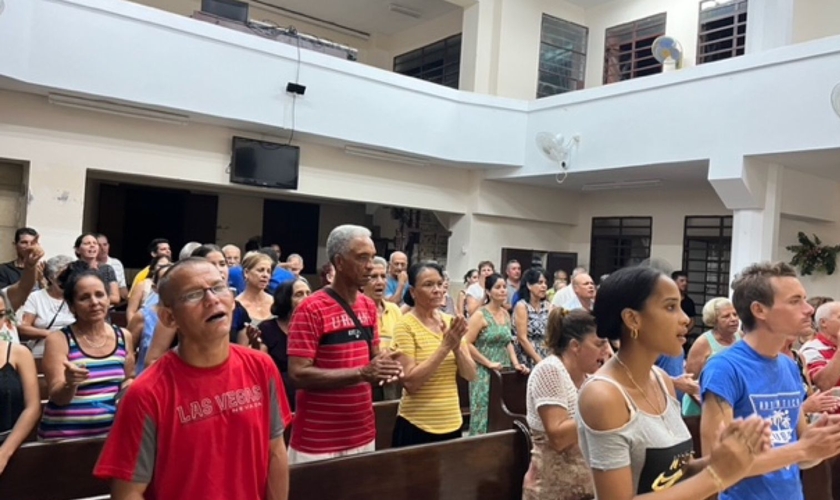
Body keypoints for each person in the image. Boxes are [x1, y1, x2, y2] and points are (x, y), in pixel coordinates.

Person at [93, 258, 292, 500]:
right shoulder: (146, 393)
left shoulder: (261, 367)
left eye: (219, 287)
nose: (212, 299)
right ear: (169, 317)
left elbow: (276, 453)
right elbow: (128, 493)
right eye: (193, 295)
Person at [577, 265, 771, 498]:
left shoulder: (661, 380)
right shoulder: (604, 395)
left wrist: (726, 458)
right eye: (670, 307)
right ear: (632, 319)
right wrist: (717, 474)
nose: (684, 319)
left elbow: (678, 473)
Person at [700, 262, 840, 500]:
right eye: (795, 301)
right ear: (759, 310)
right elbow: (716, 464)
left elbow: (800, 453)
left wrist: (825, 438)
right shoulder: (724, 368)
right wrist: (802, 448)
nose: (808, 309)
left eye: (805, 300)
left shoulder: (788, 365)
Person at [288, 225, 402, 463]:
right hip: (318, 439)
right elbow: (298, 374)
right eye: (362, 258)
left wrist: (385, 366)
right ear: (339, 263)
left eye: (372, 257)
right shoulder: (311, 308)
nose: (370, 265)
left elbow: (373, 359)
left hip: (361, 432)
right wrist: (361, 373)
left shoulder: (368, 306)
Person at [522, 308, 611, 500]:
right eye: (599, 344)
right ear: (575, 346)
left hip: (586, 489)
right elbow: (559, 437)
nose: (606, 350)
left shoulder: (589, 377)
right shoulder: (550, 371)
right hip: (551, 490)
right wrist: (605, 412)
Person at [39, 268, 134, 441]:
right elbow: (58, 398)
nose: (94, 302)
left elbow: (127, 379)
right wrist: (70, 383)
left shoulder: (123, 336)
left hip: (110, 438)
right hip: (64, 440)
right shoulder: (59, 340)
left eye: (100, 294)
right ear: (72, 305)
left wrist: (131, 388)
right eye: (84, 298)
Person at [392, 261, 477, 447]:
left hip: (451, 421)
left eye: (439, 284)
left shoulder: (451, 322)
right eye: (428, 285)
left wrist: (456, 347)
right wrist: (445, 347)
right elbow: (411, 383)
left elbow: (470, 374)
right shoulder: (404, 326)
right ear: (413, 292)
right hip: (417, 424)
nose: (437, 290)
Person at [143, 245, 251, 369]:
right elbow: (152, 359)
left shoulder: (237, 308)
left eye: (222, 264)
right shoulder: (178, 311)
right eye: (211, 264)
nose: (219, 269)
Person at [465, 272, 527, 435]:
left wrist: (515, 364)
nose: (502, 291)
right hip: (483, 371)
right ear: (488, 292)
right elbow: (467, 343)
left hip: (502, 368)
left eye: (504, 287)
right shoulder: (480, 315)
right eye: (497, 287)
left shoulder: (506, 314)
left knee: (500, 412)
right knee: (483, 412)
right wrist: (487, 362)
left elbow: (507, 341)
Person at [240, 278, 311, 410]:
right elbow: (260, 365)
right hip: (278, 399)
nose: (306, 298)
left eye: (308, 293)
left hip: (310, 399)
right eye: (299, 294)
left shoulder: (315, 328)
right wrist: (255, 345)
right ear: (285, 299)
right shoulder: (268, 328)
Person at [681, 297, 741, 416]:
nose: (733, 319)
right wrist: (709, 409)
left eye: (735, 314)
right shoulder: (703, 343)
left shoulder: (741, 337)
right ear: (714, 320)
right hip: (699, 411)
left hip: (731, 407)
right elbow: (689, 382)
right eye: (726, 316)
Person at [0, 315, 40, 476]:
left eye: (0, 314)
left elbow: (33, 407)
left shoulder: (19, 353)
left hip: (11, 445)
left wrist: (4, 452)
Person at [18, 255, 76, 357]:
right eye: (60, 278)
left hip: (74, 348)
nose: (65, 282)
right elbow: (23, 328)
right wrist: (52, 334)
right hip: (43, 351)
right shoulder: (36, 297)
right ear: (50, 278)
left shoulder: (77, 296)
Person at [128, 263, 171, 376]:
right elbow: (127, 351)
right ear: (155, 288)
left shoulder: (186, 316)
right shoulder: (142, 316)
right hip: (147, 377)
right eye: (165, 281)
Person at [513, 268, 550, 369]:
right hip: (528, 356)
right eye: (540, 283)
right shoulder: (522, 306)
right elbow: (522, 338)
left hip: (546, 352)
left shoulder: (548, 306)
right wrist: (538, 361)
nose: (544, 286)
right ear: (529, 285)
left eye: (545, 283)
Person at [73, 233, 121, 306]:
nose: (92, 245)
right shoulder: (72, 268)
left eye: (95, 243)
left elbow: (115, 297)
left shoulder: (107, 269)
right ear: (77, 250)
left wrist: (95, 299)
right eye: (87, 243)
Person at [125, 255, 172, 324]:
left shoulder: (173, 286)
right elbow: (131, 311)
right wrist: (133, 326)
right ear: (153, 269)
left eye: (167, 266)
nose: (164, 269)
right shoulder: (142, 285)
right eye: (161, 266)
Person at [237, 253, 275, 324]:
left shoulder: (275, 302)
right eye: (260, 270)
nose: (265, 275)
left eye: (268, 271)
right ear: (246, 272)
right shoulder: (237, 306)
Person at [96, 233, 128, 302]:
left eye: (105, 245)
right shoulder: (89, 264)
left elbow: (122, 286)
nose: (103, 248)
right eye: (99, 245)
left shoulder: (117, 263)